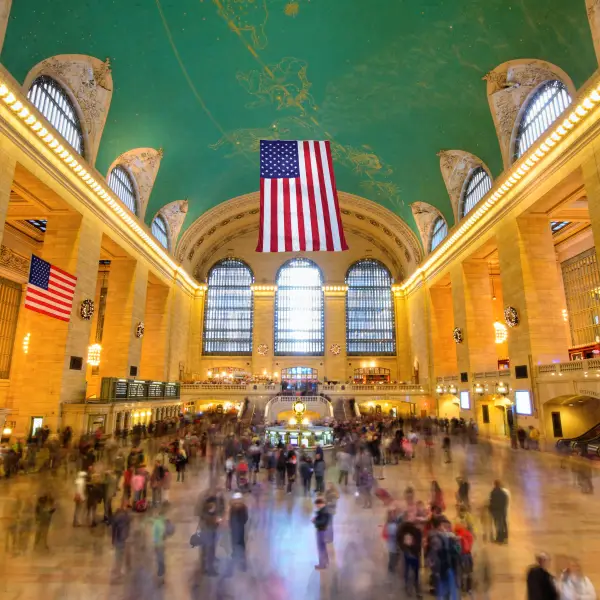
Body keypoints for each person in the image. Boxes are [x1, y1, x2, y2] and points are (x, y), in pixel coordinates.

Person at [427, 517, 461, 600]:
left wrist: (456, 542)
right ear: (439, 527)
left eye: (449, 527)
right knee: (444, 593)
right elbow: (434, 556)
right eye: (444, 526)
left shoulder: (450, 538)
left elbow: (458, 551)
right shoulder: (436, 539)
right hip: (443, 569)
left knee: (452, 592)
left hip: (451, 568)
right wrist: (436, 570)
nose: (447, 529)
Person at [398, 513, 423, 596]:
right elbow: (400, 538)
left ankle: (412, 588)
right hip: (410, 553)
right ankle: (412, 588)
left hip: (412, 553)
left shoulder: (416, 531)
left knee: (412, 571)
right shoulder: (407, 528)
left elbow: (419, 543)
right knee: (411, 571)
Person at [229, 492, 249, 571]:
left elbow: (245, 518)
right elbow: (245, 518)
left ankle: (238, 562)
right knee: (240, 545)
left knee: (237, 545)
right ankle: (241, 563)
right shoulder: (243, 507)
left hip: (237, 529)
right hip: (239, 529)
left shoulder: (233, 508)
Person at [111, 507, 131, 579]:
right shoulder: (126, 518)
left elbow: (113, 531)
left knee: (118, 555)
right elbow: (127, 530)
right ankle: (118, 571)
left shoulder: (116, 519)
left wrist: (113, 540)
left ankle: (117, 570)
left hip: (118, 539)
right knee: (120, 556)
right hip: (122, 539)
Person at [312, 497, 330, 570]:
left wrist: (315, 521)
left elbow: (323, 522)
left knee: (321, 548)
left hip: (321, 531)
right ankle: (326, 561)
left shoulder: (324, 511)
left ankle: (322, 564)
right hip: (323, 531)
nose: (317, 507)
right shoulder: (324, 510)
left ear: (320, 504)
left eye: (317, 505)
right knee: (323, 547)